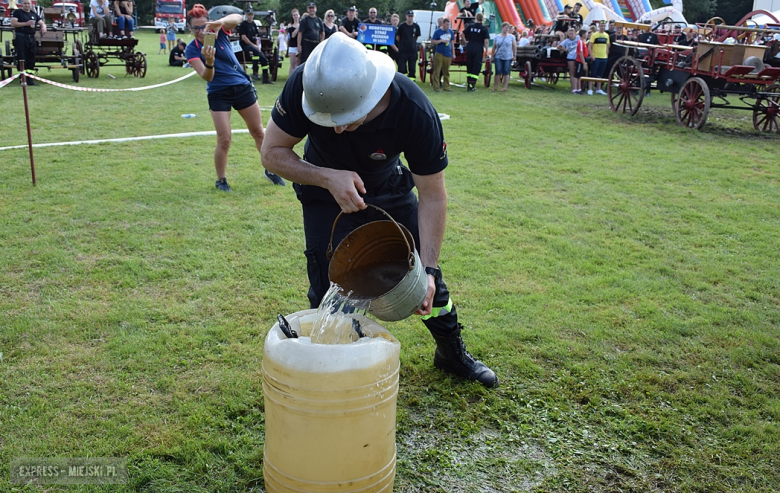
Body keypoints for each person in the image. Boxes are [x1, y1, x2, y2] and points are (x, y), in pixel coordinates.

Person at [260, 33, 499, 388]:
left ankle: (451, 352)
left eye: (346, 117)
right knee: (328, 284)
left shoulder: (414, 111)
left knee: (421, 278)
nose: (337, 127)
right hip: (324, 191)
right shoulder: (307, 85)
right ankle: (335, 369)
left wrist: (430, 268)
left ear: (370, 97)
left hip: (387, 188)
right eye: (328, 119)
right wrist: (327, 178)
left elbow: (433, 195)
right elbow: (271, 153)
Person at [184, 3, 285, 192]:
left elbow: (238, 17)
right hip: (218, 92)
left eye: (203, 26)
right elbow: (207, 76)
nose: (200, 31)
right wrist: (210, 61)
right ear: (190, 28)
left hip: (241, 87)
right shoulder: (191, 49)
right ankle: (221, 180)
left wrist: (218, 23)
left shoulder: (219, 33)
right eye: (196, 28)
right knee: (224, 138)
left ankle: (271, 170)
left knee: (259, 132)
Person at [11, 0, 46, 84]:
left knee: (31, 57)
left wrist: (43, 26)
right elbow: (13, 23)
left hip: (31, 38)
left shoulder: (33, 14)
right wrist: (26, 23)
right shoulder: (18, 12)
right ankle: (22, 78)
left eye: (28, 3)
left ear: (31, 4)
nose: (27, 5)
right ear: (22, 4)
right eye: (25, 3)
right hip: (21, 37)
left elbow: (41, 22)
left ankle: (30, 78)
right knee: (22, 57)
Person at [238, 10, 273, 84]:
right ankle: (264, 76)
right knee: (262, 57)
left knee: (260, 56)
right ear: (246, 15)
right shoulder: (243, 25)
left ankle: (263, 76)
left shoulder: (253, 24)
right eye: (249, 15)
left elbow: (256, 36)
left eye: (251, 15)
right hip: (246, 45)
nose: (250, 16)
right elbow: (244, 37)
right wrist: (253, 45)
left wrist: (257, 45)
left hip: (253, 45)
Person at [463, 12, 489, 92]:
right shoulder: (484, 29)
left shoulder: (470, 26)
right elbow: (486, 41)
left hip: (470, 47)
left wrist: (465, 42)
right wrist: (487, 51)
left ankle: (468, 84)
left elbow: (462, 34)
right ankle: (472, 85)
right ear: (483, 19)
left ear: (476, 18)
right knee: (476, 67)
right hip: (478, 48)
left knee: (469, 66)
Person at [490, 22, 515, 92]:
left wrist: (514, 55)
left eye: (508, 28)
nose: (506, 29)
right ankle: (495, 87)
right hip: (498, 56)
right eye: (505, 28)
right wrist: (492, 56)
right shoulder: (497, 37)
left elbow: (514, 46)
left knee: (506, 72)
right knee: (498, 72)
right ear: (502, 28)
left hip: (508, 56)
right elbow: (494, 47)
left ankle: (504, 87)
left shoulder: (512, 37)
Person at [395, 10, 421, 80]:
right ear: (406, 16)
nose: (410, 17)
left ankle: (412, 81)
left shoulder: (416, 26)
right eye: (409, 16)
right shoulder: (402, 26)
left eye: (411, 16)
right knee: (402, 68)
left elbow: (416, 37)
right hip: (403, 51)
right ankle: (401, 81)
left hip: (412, 50)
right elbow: (398, 37)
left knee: (412, 68)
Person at [431, 17, 454, 92]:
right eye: (446, 24)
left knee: (446, 71)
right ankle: (436, 87)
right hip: (439, 53)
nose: (447, 26)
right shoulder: (438, 32)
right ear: (443, 24)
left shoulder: (450, 32)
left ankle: (446, 87)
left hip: (448, 54)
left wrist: (453, 53)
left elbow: (452, 43)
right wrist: (441, 41)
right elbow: (433, 41)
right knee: (437, 71)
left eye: (448, 24)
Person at [587, 21, 609, 95]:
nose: (603, 27)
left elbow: (608, 46)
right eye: (601, 26)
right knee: (593, 73)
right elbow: (590, 46)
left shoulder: (606, 35)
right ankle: (590, 88)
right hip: (596, 57)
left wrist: (606, 55)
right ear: (599, 26)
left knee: (600, 74)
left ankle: (599, 89)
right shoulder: (594, 35)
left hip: (604, 57)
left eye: (604, 26)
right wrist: (592, 56)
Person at [559, 27, 579, 94]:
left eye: (572, 33)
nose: (571, 35)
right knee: (572, 72)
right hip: (570, 57)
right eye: (570, 34)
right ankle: (574, 89)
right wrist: (566, 50)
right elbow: (559, 46)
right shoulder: (567, 40)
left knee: (578, 73)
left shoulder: (578, 38)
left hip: (578, 57)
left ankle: (579, 88)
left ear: (575, 33)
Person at [286, 9, 301, 76]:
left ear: (299, 15)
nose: (295, 16)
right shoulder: (290, 26)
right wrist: (298, 27)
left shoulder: (302, 25)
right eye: (294, 15)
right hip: (292, 46)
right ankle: (290, 79)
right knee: (292, 64)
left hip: (299, 46)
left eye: (296, 15)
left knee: (298, 64)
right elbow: (293, 35)